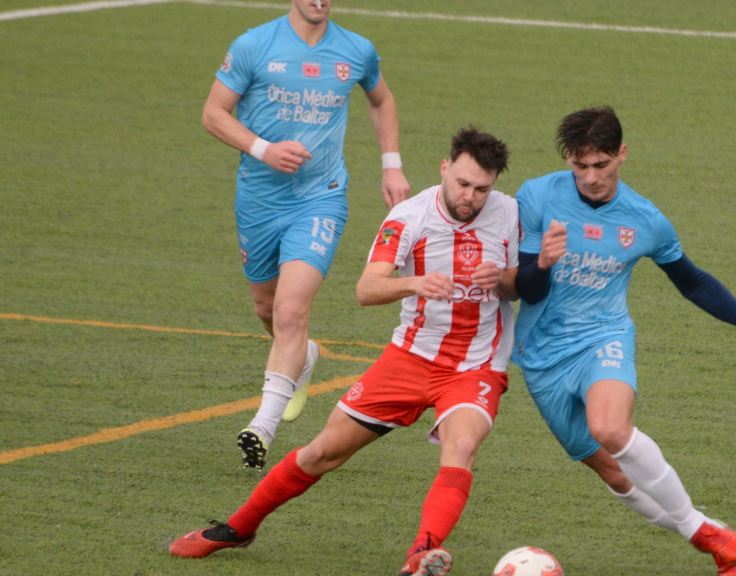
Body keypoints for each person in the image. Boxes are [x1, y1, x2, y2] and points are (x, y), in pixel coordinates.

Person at [170, 128, 517, 576]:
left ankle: (422, 554)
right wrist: (415, 282)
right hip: (409, 358)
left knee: (462, 443)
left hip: (476, 366)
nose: (470, 197)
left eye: (481, 189)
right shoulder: (409, 217)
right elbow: (366, 289)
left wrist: (505, 279)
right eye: (463, 184)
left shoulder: (510, 213)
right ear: (445, 168)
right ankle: (239, 528)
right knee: (322, 453)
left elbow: (523, 281)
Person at [513, 107, 736, 576]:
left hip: (602, 338)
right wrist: (543, 263)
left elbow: (693, 282)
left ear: (622, 154)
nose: (591, 178)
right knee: (614, 473)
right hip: (541, 356)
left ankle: (701, 531)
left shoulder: (645, 220)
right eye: (580, 166)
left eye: (602, 164)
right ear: (569, 159)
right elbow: (525, 290)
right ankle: (718, 549)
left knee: (610, 428)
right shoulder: (536, 197)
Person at [201, 0, 411, 470]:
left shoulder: (356, 50)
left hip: (321, 199)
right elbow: (214, 113)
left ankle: (262, 426)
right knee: (267, 309)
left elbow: (382, 99)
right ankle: (305, 357)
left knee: (291, 310)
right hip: (258, 201)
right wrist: (263, 149)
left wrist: (391, 165)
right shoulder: (254, 45)